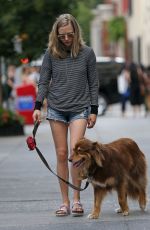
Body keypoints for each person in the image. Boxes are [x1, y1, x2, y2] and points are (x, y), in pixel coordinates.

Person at [32, 14, 99, 217]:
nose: (67, 39)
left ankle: (77, 200)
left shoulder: (87, 53)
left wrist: (94, 110)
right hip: (56, 109)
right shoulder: (50, 54)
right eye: (62, 36)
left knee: (75, 152)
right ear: (56, 35)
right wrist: (37, 105)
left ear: (76, 32)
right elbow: (43, 81)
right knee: (61, 154)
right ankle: (65, 202)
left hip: (80, 108)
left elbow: (93, 82)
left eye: (70, 34)